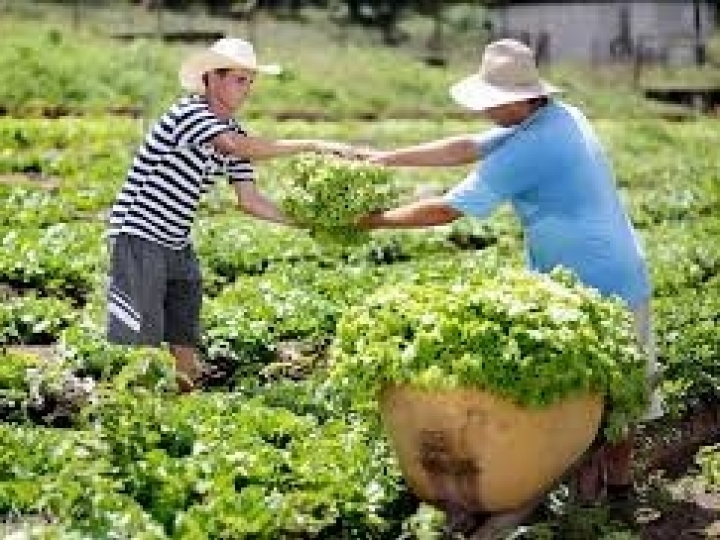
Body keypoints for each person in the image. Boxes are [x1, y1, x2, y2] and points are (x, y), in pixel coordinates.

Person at [358, 39, 663, 539]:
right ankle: (584, 489)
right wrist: (385, 159)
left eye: (492, 101)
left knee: (619, 396)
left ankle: (620, 494)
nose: (486, 109)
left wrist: (373, 221)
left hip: (606, 278)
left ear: (523, 98)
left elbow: (448, 209)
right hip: (573, 280)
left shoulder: (537, 143)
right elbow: (464, 146)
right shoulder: (554, 117)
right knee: (586, 393)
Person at [106, 37, 353, 392]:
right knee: (139, 341)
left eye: (250, 81)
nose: (247, 89)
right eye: (239, 80)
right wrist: (315, 144)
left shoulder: (233, 131)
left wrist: (312, 222)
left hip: (176, 240)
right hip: (139, 234)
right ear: (212, 78)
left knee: (184, 336)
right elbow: (234, 148)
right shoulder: (190, 113)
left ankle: (183, 409)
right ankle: (132, 415)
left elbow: (250, 200)